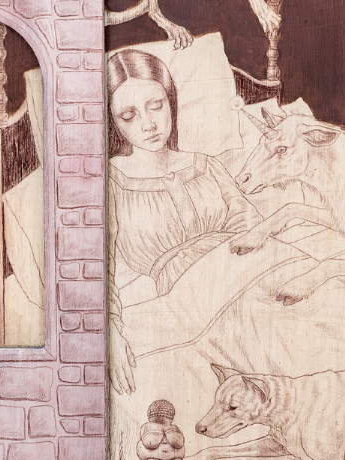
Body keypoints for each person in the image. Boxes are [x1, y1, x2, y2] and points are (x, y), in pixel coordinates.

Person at [106, 48, 260, 395]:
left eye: (156, 106)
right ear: (112, 122)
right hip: (190, 302)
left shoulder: (205, 165)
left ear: (171, 102)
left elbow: (250, 224)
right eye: (129, 115)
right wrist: (111, 331)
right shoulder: (111, 182)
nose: (148, 124)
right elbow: (103, 270)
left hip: (249, 276)